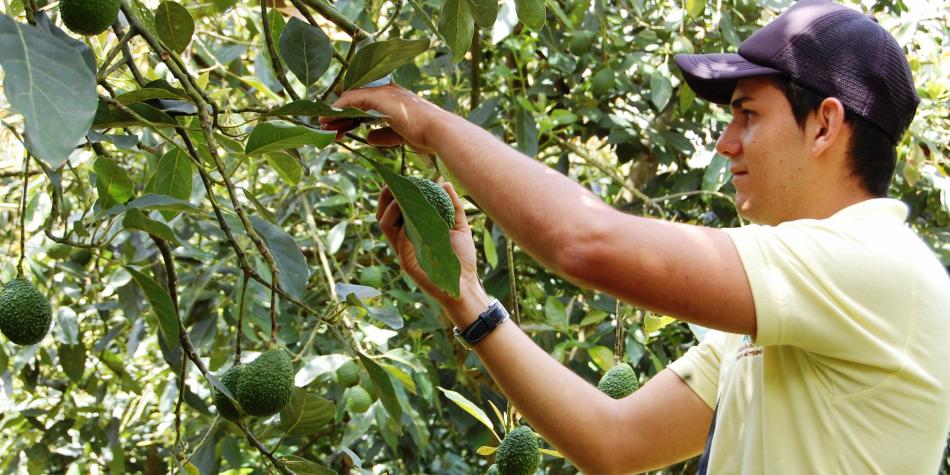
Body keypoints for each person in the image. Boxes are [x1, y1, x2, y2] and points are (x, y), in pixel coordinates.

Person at [320, 0, 950, 473]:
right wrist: (466, 299)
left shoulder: (875, 265)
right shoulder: (783, 312)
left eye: (748, 114)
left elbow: (585, 241)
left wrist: (426, 120)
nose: (726, 143)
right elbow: (615, 441)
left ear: (824, 125)